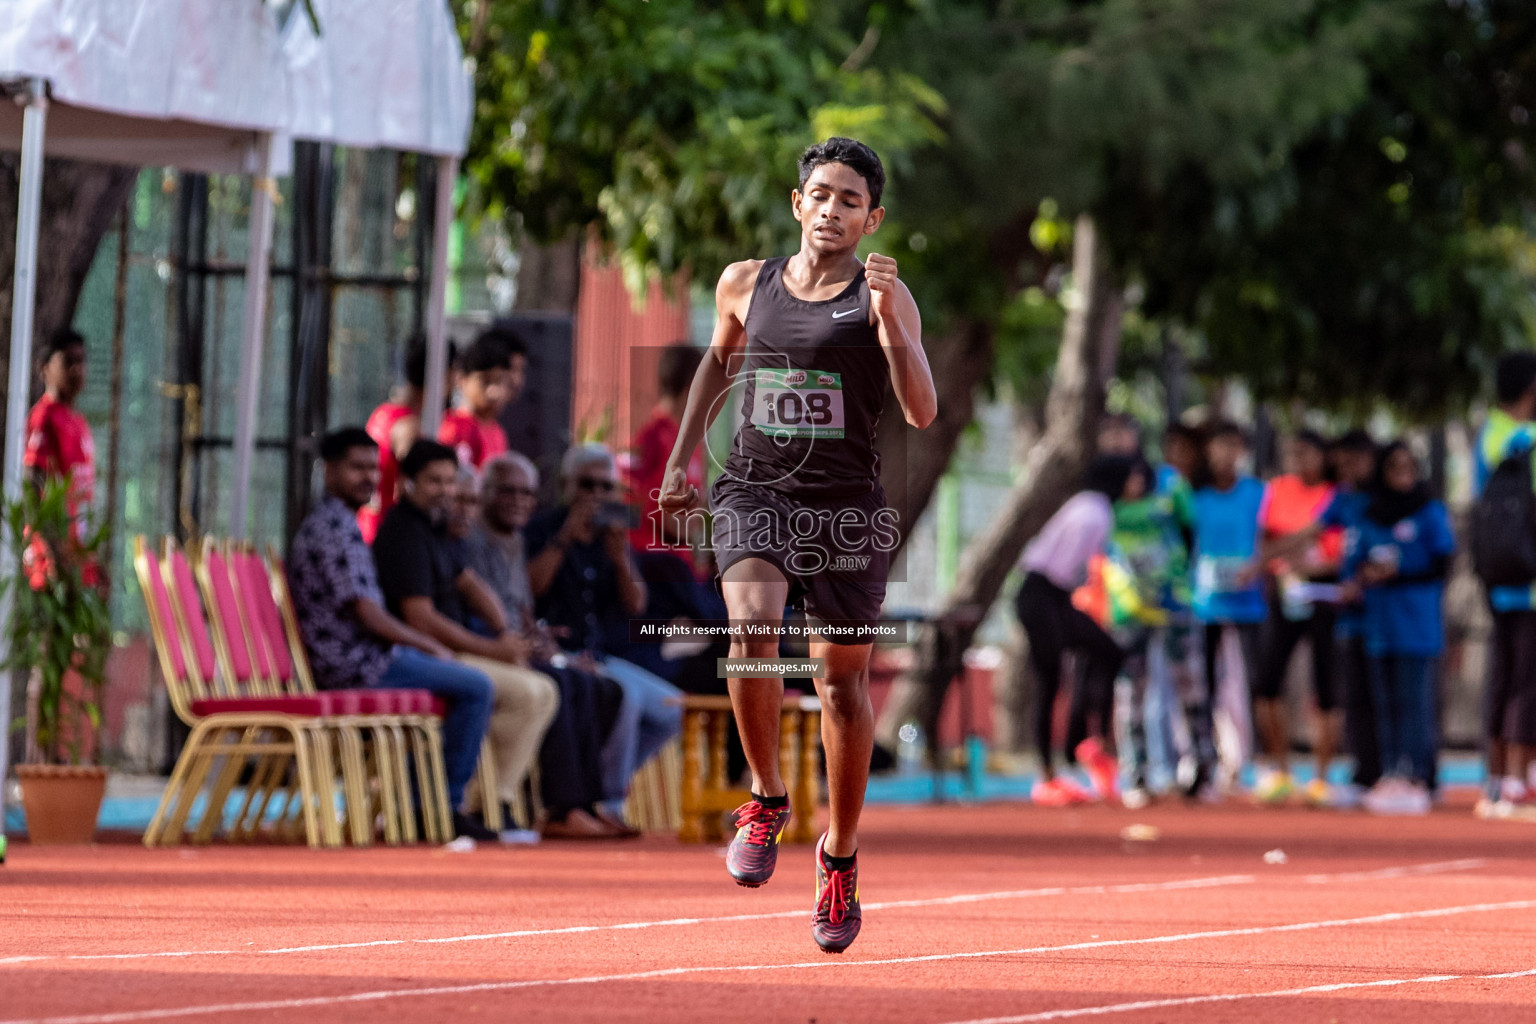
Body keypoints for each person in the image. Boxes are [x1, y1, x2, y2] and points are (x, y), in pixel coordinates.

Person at [657, 137, 937, 953]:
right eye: (821, 194)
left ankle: (840, 858)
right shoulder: (747, 281)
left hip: (844, 505)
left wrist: (893, 325)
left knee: (840, 687)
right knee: (752, 626)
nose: (832, 210)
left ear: (871, 218)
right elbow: (717, 364)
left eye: (851, 200)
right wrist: (680, 462)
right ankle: (768, 796)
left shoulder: (886, 296)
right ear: (797, 203)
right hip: (753, 488)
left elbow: (920, 410)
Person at [287, 428, 496, 841]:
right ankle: (438, 807)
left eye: (372, 468)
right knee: (476, 687)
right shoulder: (331, 528)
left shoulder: (344, 523)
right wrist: (428, 645)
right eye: (356, 467)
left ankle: (426, 803)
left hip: (370, 655)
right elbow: (368, 614)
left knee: (470, 683)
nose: (367, 477)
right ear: (328, 471)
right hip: (352, 663)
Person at [373, 440, 560, 833]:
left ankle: (497, 800)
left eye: (448, 481)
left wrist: (504, 634)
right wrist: (495, 648)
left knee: (544, 690)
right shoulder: (402, 531)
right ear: (407, 482)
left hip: (450, 649)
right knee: (522, 693)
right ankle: (463, 805)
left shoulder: (435, 526)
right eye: (432, 481)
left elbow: (473, 586)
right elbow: (420, 618)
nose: (443, 490)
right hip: (423, 653)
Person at [460, 454, 634, 839]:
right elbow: (475, 614)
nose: (518, 500)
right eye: (507, 491)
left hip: (529, 647)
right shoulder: (473, 539)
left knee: (597, 686)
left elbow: (521, 612)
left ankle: (586, 804)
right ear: (483, 494)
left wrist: (541, 640)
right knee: (565, 684)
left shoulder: (513, 540)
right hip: (489, 650)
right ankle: (562, 807)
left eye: (526, 493)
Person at [525, 443, 684, 824]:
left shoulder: (611, 536)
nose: (597, 495)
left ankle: (602, 779)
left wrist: (619, 556)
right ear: (567, 485)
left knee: (672, 708)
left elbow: (637, 604)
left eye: (606, 487)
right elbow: (532, 589)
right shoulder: (543, 527)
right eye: (587, 485)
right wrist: (564, 536)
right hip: (554, 652)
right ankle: (609, 805)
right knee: (624, 696)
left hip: (599, 655)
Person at [1341, 442, 1454, 815]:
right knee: (1384, 703)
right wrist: (1365, 576)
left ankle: (1417, 774)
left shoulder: (1429, 511)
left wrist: (1399, 572)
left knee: (1414, 702)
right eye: (1394, 468)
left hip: (1417, 623)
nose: (1402, 476)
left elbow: (1442, 563)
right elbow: (1354, 564)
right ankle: (1390, 771)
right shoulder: (1369, 514)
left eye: (1409, 468)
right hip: (1379, 622)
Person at [1017, 457, 1133, 807]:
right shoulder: (1097, 513)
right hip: (1044, 594)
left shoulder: (1083, 504)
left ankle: (1085, 743)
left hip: (1048, 595)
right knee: (1051, 679)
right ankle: (1051, 771)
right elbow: (1065, 566)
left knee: (1106, 653)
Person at [1108, 458, 1216, 809]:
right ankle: (1136, 774)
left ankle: (1202, 770)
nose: (1133, 484)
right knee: (1131, 692)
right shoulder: (1105, 506)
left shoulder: (1171, 489)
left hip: (1175, 606)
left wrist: (1179, 578)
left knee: (1192, 684)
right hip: (1130, 614)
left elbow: (1191, 532)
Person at [1253, 431, 1342, 806]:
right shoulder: (1276, 491)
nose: (1298, 459)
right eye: (1292, 452)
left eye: (1306, 451)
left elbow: (1341, 552)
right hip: (1284, 594)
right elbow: (1263, 545)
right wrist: (1283, 562)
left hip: (1325, 596)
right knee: (1268, 680)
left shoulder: (1336, 496)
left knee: (1327, 684)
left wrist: (1313, 565)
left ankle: (1321, 778)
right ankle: (1280, 770)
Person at [1472, 352, 1536, 818]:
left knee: (1502, 674)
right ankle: (1519, 780)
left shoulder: (1486, 437)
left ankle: (1496, 780)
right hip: (1530, 575)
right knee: (1527, 678)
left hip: (1495, 571)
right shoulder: (1528, 439)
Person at [1190, 421, 1267, 796]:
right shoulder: (1195, 497)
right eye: (1219, 446)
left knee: (1253, 681)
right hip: (1205, 604)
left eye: (1233, 446)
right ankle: (1208, 758)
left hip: (1248, 602)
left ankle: (1253, 762)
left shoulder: (1257, 493)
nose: (1226, 454)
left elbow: (1272, 538)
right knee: (1202, 683)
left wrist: (1258, 565)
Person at [358, 334, 455, 543]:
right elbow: (411, 486)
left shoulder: (384, 413)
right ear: (443, 374)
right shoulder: (408, 425)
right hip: (391, 535)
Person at [24, 328, 101, 586]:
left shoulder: (78, 421)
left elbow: (83, 494)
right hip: (52, 563)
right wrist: (53, 549)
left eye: (82, 361)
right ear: (44, 368)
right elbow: (33, 485)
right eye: (69, 361)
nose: (77, 370)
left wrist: (92, 556)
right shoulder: (44, 417)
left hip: (77, 556)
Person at [439, 331, 517, 471]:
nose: (493, 391)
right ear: (462, 379)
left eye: (499, 381)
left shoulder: (497, 431)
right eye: (484, 381)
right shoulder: (454, 429)